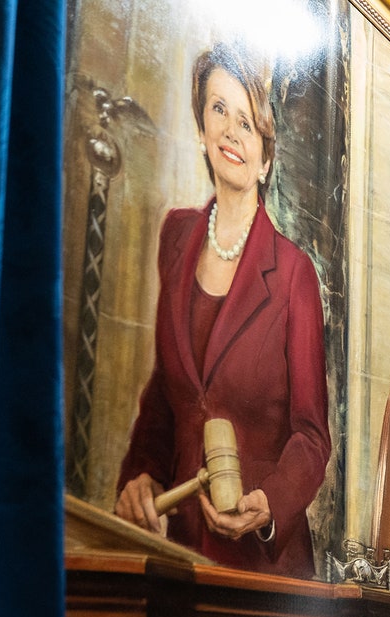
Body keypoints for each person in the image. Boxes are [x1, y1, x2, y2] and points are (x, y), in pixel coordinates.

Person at [114, 42, 330, 578]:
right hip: (175, 551)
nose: (232, 133)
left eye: (247, 123)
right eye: (218, 110)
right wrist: (141, 476)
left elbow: (311, 436)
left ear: (266, 158)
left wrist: (269, 506)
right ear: (201, 129)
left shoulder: (296, 274)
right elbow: (168, 392)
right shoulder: (175, 236)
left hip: (260, 567)